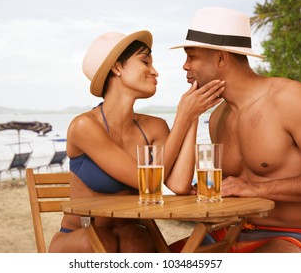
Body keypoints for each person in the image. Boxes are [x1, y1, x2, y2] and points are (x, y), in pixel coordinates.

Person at [171, 7, 301, 253]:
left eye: (192, 56)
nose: (185, 66)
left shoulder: (290, 98)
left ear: (221, 58)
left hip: (292, 237)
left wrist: (257, 189)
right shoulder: (218, 116)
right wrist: (212, 192)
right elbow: (237, 188)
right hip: (229, 234)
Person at [48, 30, 225, 252]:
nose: (155, 72)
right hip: (79, 238)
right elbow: (145, 182)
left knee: (137, 239)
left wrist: (192, 116)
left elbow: (178, 185)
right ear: (117, 67)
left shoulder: (154, 127)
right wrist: (181, 118)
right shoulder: (84, 126)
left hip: (131, 233)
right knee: (104, 242)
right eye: (145, 61)